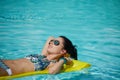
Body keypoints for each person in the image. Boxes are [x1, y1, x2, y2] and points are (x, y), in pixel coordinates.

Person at [0, 36, 77, 76]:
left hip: (6, 70)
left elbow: (52, 72)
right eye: (51, 42)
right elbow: (50, 37)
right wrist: (53, 41)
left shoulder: (52, 64)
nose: (51, 43)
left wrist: (63, 59)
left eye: (56, 42)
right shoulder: (42, 55)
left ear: (63, 51)